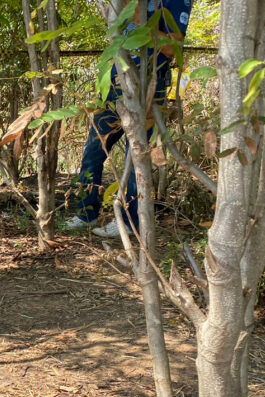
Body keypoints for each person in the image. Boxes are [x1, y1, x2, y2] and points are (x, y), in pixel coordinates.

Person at [65, 0, 192, 238]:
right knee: (94, 150)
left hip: (150, 81)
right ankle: (86, 213)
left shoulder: (176, 2)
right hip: (115, 82)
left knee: (136, 156)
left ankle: (129, 221)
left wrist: (141, 23)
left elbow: (173, 49)